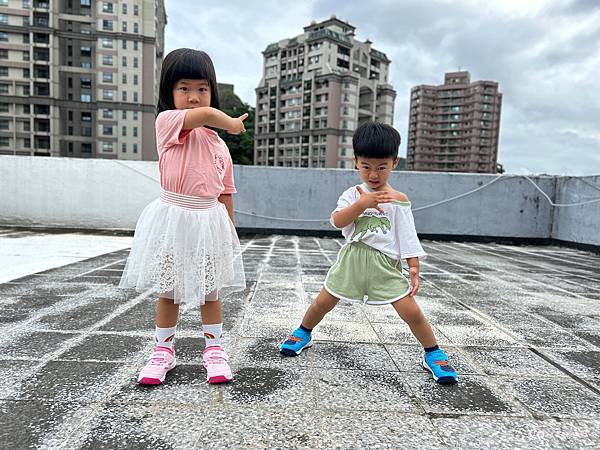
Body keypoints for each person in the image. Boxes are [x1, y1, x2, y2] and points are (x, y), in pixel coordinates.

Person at [279, 121, 457, 384]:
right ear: (356, 162)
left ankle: (433, 352)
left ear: (394, 163)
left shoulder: (399, 199)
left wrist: (414, 266)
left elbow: (407, 235)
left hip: (385, 266)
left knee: (412, 312)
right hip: (352, 260)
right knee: (323, 302)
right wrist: (362, 204)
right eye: (366, 167)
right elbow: (338, 221)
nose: (373, 174)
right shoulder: (353, 194)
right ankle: (303, 332)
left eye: (381, 167)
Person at [119, 48, 246, 385]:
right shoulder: (168, 123)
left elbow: (225, 191)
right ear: (169, 92)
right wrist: (231, 122)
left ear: (212, 90)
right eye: (184, 88)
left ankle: (214, 350)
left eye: (202, 89)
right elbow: (202, 115)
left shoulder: (219, 145)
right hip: (174, 216)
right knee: (169, 288)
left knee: (210, 289)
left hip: (209, 220)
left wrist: (228, 235)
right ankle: (163, 351)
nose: (193, 97)